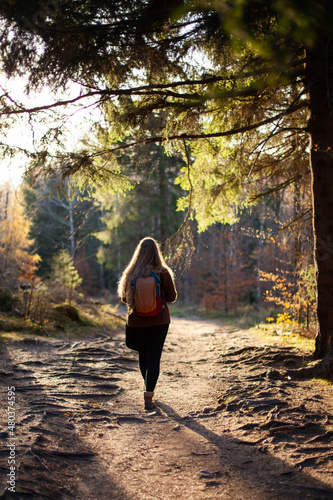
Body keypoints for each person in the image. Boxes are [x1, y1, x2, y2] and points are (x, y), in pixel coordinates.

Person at [118, 237, 177, 410]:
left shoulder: (131, 272)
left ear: (139, 252)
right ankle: (149, 393)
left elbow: (123, 298)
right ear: (156, 252)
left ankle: (146, 385)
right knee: (154, 357)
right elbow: (172, 297)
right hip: (159, 320)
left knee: (143, 356)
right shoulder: (163, 272)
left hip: (137, 322)